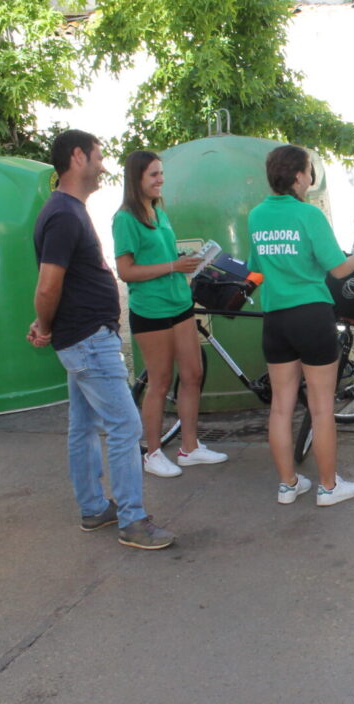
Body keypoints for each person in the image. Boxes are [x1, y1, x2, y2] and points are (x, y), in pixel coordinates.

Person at [27, 129, 175, 550]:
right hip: (88, 340)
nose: (104, 165)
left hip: (82, 337)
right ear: (78, 157)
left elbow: (62, 283)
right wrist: (45, 324)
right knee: (125, 425)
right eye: (98, 156)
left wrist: (45, 322)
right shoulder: (63, 214)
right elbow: (48, 285)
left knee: (83, 426)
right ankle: (133, 520)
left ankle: (94, 508)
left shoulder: (67, 210)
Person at [247, 145, 354, 506]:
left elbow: (256, 265)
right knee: (321, 408)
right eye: (309, 171)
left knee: (280, 407)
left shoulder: (256, 215)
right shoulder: (309, 214)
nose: (311, 178)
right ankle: (329, 487)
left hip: (275, 318)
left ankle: (288, 484)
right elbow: (339, 268)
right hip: (311, 316)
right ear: (298, 176)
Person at [112, 150, 228, 477]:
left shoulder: (158, 212)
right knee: (160, 382)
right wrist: (174, 266)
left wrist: (185, 260)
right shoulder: (125, 219)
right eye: (154, 174)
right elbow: (126, 271)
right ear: (136, 178)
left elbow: (161, 256)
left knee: (192, 374)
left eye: (161, 173)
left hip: (180, 304)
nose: (161, 180)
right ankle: (152, 454)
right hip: (151, 310)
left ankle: (189, 448)